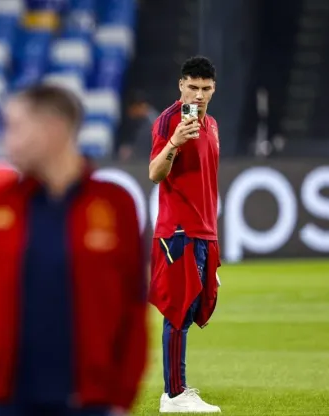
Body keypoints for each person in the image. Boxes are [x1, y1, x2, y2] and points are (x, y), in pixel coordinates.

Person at [0, 84, 149, 416]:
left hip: (86, 401)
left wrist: (120, 398)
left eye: (15, 127)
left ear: (53, 129)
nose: (6, 141)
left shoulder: (115, 206)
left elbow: (133, 307)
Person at [148, 56, 222, 413]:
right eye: (193, 87)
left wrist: (213, 236)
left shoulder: (213, 126)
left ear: (214, 88)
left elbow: (207, 184)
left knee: (192, 309)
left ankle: (177, 389)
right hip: (178, 230)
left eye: (206, 88)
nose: (199, 94)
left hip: (203, 231)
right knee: (178, 311)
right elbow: (154, 173)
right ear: (181, 85)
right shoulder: (168, 121)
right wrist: (174, 143)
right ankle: (174, 394)